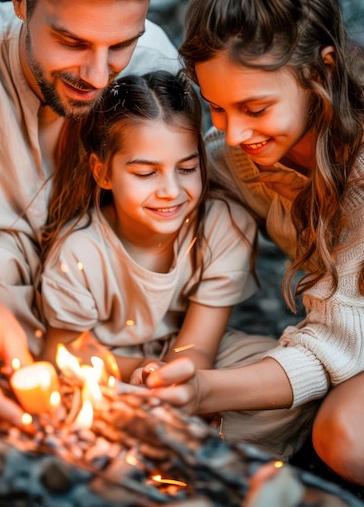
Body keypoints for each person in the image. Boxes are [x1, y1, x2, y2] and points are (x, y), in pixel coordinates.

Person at [0, 0, 180, 431]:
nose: (99, 77)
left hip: (108, 311)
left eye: (119, 44)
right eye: (73, 42)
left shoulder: (153, 66)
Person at [138, 0, 364, 483]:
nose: (234, 132)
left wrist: (204, 388)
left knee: (346, 437)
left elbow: (340, 343)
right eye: (217, 106)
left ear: (322, 70)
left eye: (255, 107)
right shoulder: (237, 155)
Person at [37, 70, 314, 459]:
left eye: (186, 168)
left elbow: (198, 346)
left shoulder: (222, 224)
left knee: (276, 370)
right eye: (146, 173)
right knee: (70, 397)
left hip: (190, 358)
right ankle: (185, 446)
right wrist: (145, 370)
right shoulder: (79, 252)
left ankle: (179, 443)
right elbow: (63, 351)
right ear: (102, 172)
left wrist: (178, 383)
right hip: (112, 365)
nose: (170, 190)